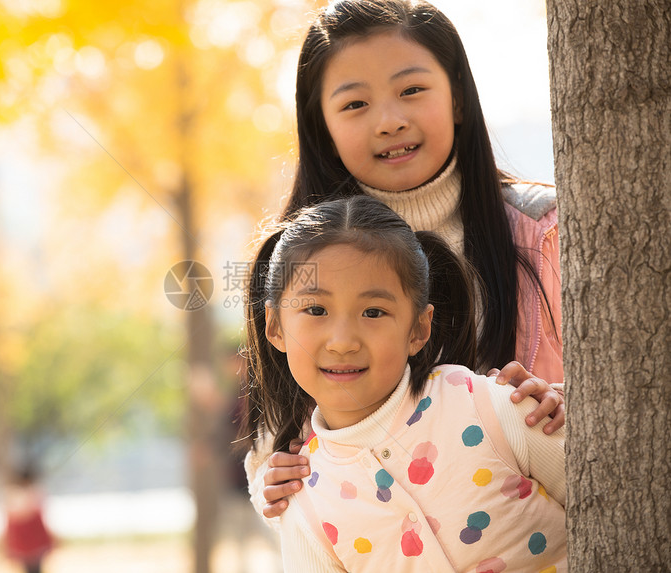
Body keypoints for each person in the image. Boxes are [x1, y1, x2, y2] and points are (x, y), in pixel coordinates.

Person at [249, 0, 565, 519]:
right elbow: (276, 431)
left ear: (458, 98)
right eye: (355, 105)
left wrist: (564, 404)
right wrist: (271, 480)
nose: (390, 121)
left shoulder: (549, 235)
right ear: (321, 124)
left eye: (412, 91)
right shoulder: (295, 262)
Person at [242, 195, 565, 571]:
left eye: (373, 312)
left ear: (419, 328)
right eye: (316, 310)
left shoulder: (490, 407)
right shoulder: (305, 501)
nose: (343, 341)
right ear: (275, 327)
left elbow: (614, 495)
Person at [2, 465, 54, 573]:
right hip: (25, 539)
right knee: (29, 566)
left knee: (35, 566)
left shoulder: (32, 492)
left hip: (33, 538)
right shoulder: (16, 494)